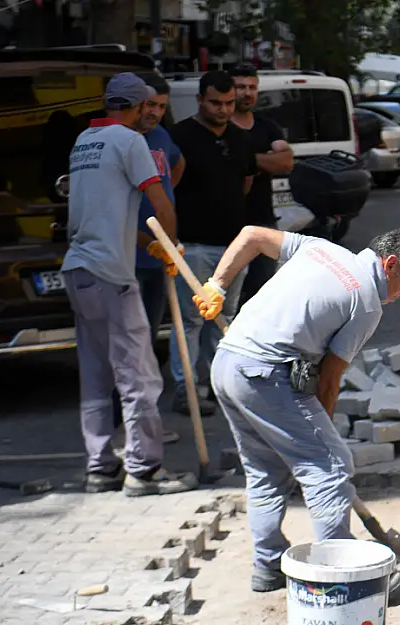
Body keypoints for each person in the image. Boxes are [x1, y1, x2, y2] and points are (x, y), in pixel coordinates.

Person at [194, 226, 400, 594]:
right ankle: (340, 580)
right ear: (391, 264)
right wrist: (322, 437)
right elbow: (330, 381)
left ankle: (268, 565)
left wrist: (217, 286)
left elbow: (251, 235)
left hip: (227, 364)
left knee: (265, 470)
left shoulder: (320, 249)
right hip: (264, 374)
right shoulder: (365, 301)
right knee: (330, 469)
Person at [61, 72, 198, 496]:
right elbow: (161, 202)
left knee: (96, 374)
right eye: (148, 108)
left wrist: (149, 245)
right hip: (112, 275)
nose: (151, 116)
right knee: (138, 375)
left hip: (78, 270)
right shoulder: (131, 141)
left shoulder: (85, 142)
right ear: (137, 107)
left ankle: (100, 468)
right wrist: (172, 247)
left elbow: (104, 214)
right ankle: (144, 470)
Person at [168, 71, 259, 416]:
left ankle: (216, 385)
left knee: (224, 317)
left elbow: (246, 182)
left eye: (228, 103)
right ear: (200, 100)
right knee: (190, 320)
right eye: (215, 103)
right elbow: (169, 190)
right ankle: (186, 388)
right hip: (191, 246)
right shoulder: (181, 138)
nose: (222, 110)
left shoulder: (240, 139)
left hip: (233, 247)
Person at [106, 72, 187, 443]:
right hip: (128, 257)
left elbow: (176, 166)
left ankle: (143, 424)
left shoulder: (161, 138)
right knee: (126, 344)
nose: (154, 112)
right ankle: (123, 423)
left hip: (157, 259)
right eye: (149, 105)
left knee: (147, 340)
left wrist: (167, 240)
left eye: (161, 107)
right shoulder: (119, 142)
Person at [228, 64, 294, 307]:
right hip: (228, 226)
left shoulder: (267, 126)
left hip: (263, 222)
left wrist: (246, 160)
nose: (247, 93)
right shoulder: (221, 128)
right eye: (240, 87)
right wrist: (266, 160)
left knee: (261, 295)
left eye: (252, 88)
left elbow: (286, 161)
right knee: (227, 297)